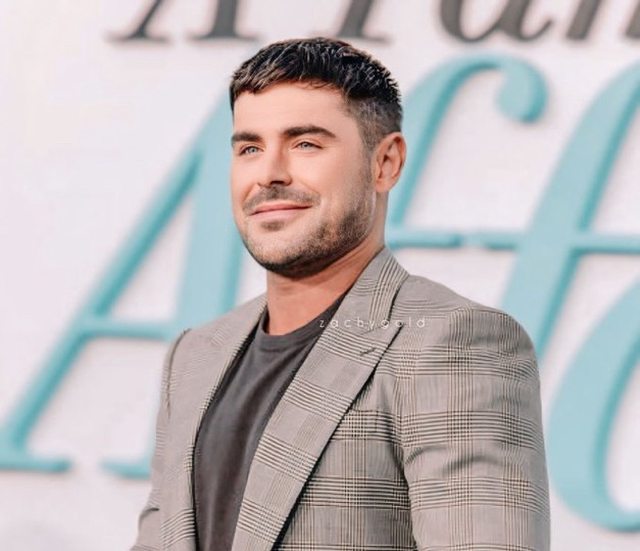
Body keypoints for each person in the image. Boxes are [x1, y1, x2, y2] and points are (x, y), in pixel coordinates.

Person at [131, 37, 550, 551]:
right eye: (250, 148)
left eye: (306, 144)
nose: (269, 174)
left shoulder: (452, 343)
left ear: (386, 163)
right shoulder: (196, 354)